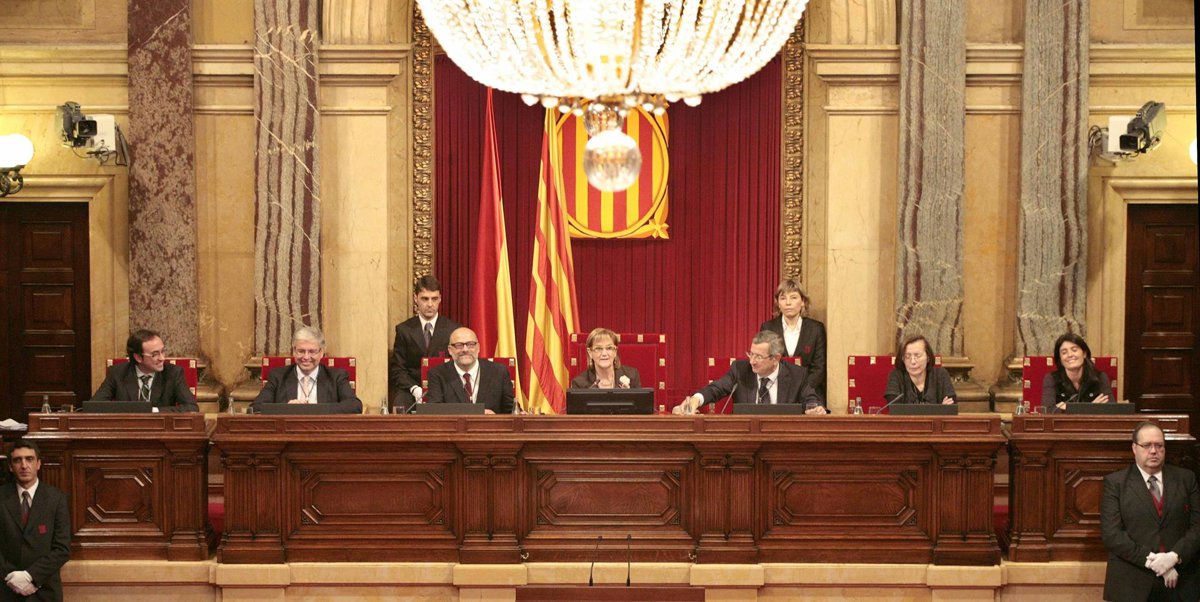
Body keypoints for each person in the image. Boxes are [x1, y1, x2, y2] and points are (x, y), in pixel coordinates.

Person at [1101, 421, 1200, 601]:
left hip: (1181, 580)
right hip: (1132, 582)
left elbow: (1197, 526)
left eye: (1159, 445)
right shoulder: (1116, 483)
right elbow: (1112, 535)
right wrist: (1154, 562)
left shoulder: (1186, 478)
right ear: (1134, 448)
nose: (1154, 451)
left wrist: (1174, 557)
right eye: (1147, 445)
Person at [673, 331, 825, 415]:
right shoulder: (740, 370)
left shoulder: (797, 375)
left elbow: (811, 400)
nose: (752, 361)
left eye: (758, 357)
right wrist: (695, 400)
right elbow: (716, 388)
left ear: (776, 359)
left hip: (783, 443)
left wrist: (815, 409)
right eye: (751, 354)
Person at [2, 439, 70, 601]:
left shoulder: (56, 499)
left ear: (38, 464)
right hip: (5, 590)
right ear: (10, 467)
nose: (24, 465)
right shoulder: (1, 497)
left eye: (29, 459)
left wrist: (30, 576)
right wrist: (12, 578)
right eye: (17, 460)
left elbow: (62, 549)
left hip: (45, 590)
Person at [389, 276, 461, 412]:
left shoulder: (453, 330)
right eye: (425, 299)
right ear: (416, 298)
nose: (430, 304)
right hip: (412, 389)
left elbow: (459, 366)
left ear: (440, 299)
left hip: (444, 387)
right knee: (400, 403)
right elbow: (398, 369)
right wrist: (414, 388)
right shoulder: (404, 330)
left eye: (434, 299)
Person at [252, 326, 362, 414]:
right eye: (301, 351)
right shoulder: (278, 376)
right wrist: (286, 409)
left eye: (312, 351)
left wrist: (315, 410)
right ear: (294, 351)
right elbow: (255, 408)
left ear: (321, 353)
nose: (306, 357)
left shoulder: (336, 376)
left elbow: (354, 406)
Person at [91, 329, 199, 412]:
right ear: (138, 357)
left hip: (160, 431)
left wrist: (154, 411)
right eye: (155, 354)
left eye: (162, 351)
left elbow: (191, 407)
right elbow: (94, 406)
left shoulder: (173, 373)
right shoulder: (117, 373)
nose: (162, 358)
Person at [760, 279, 827, 398]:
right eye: (783, 298)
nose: (788, 303)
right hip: (776, 392)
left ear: (803, 302)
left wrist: (800, 391)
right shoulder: (768, 328)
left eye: (793, 297)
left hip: (810, 393)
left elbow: (819, 369)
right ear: (778, 303)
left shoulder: (816, 329)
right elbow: (765, 363)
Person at [425, 327, 515, 414]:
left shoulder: (499, 372)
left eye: (470, 344)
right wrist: (478, 412)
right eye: (459, 345)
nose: (465, 350)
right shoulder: (437, 374)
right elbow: (435, 410)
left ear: (478, 347)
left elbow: (511, 410)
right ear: (450, 350)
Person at [1043, 333, 1114, 413]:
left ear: (1084, 354)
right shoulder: (1051, 378)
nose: (1070, 355)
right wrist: (1091, 408)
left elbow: (1111, 410)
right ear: (1060, 359)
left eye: (1074, 350)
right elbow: (1047, 411)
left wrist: (1068, 408)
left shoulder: (1100, 377)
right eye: (1064, 352)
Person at [883, 335, 956, 406]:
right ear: (902, 359)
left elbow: (950, 405)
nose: (913, 361)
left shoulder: (940, 375)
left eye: (917, 356)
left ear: (928, 357)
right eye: (907, 356)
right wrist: (939, 409)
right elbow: (895, 408)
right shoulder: (896, 376)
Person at [569, 328, 642, 390]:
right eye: (598, 348)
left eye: (609, 348)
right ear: (590, 352)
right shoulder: (579, 384)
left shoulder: (632, 376)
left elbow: (640, 403)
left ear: (615, 351)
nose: (604, 354)